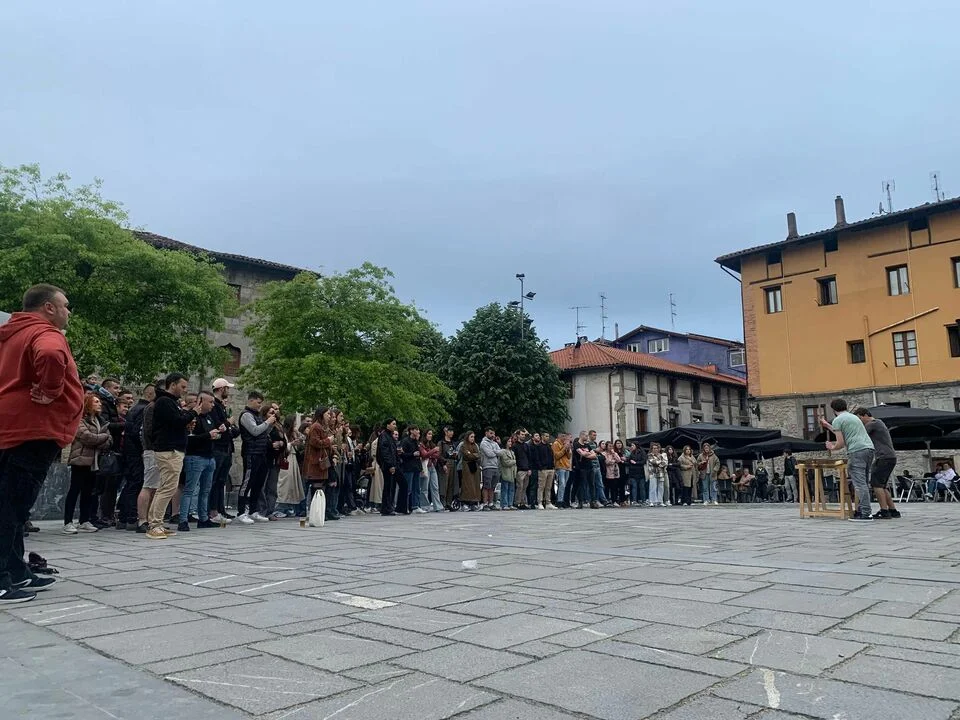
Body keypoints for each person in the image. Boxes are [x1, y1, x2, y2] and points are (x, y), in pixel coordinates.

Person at [0, 284, 83, 602]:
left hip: (12, 427)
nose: (68, 311)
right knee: (12, 507)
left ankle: (16, 570)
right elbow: (49, 354)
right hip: (33, 429)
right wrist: (50, 391)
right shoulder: (45, 332)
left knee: (10, 503)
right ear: (49, 307)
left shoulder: (13, 333)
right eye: (65, 305)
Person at [144, 373, 199, 539]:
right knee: (168, 487)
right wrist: (193, 413)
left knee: (164, 487)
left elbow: (176, 423)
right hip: (169, 449)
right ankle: (155, 525)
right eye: (182, 386)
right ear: (172, 384)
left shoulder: (171, 402)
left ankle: (156, 522)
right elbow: (176, 421)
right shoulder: (164, 401)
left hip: (173, 448)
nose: (184, 390)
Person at [64, 393, 113, 534]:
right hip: (81, 460)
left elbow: (109, 441)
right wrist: (103, 437)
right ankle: (67, 522)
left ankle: (84, 520)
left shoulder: (101, 421)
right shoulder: (80, 420)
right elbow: (87, 437)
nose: (100, 404)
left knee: (88, 491)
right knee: (75, 490)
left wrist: (101, 439)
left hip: (94, 461)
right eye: (96, 402)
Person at [820, 398, 875, 521]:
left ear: (833, 409)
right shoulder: (854, 417)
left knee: (860, 484)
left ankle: (866, 513)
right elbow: (844, 432)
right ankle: (862, 510)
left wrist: (832, 447)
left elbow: (841, 442)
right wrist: (827, 425)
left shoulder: (838, 420)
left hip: (856, 451)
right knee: (864, 482)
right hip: (869, 449)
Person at [181, 391, 222, 530]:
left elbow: (211, 433)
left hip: (209, 456)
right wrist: (207, 435)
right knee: (190, 489)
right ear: (201, 402)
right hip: (195, 456)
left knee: (205, 490)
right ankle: (183, 519)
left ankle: (203, 518)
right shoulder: (192, 417)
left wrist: (216, 434)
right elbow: (189, 438)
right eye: (210, 402)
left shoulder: (209, 417)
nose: (212, 405)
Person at [236, 391, 278, 524]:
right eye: (258, 402)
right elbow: (254, 431)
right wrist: (267, 422)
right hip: (251, 453)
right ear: (251, 400)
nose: (260, 405)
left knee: (258, 483)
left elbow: (263, 432)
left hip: (261, 453)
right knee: (247, 483)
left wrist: (270, 425)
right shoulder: (246, 415)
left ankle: (253, 510)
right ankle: (241, 512)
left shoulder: (257, 415)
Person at [117, 384, 154, 530]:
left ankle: (124, 517)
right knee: (136, 484)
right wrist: (143, 449)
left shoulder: (136, 409)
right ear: (150, 394)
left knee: (131, 484)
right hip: (136, 454)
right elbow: (138, 432)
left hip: (131, 452)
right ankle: (131, 517)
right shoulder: (144, 409)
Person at [854, 408, 901, 519]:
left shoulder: (873, 423)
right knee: (882, 485)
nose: (860, 421)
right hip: (889, 457)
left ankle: (884, 511)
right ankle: (893, 510)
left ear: (865, 415)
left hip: (883, 457)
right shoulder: (879, 423)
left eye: (860, 418)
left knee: (876, 484)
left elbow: (860, 434)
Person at [208, 378, 238, 525]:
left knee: (221, 481)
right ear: (221, 389)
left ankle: (220, 509)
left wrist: (230, 427)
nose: (228, 391)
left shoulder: (221, 406)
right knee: (215, 480)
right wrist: (229, 422)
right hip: (218, 447)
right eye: (227, 388)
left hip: (226, 446)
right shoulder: (215, 406)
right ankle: (212, 510)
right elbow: (219, 426)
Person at [276, 414, 305, 517]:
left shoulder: (293, 433)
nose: (296, 425)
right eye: (294, 423)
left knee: (292, 484)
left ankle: (288, 507)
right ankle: (280, 508)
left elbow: (303, 439)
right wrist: (292, 444)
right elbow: (284, 446)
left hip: (293, 458)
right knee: (285, 483)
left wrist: (298, 435)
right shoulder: (284, 433)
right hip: (286, 458)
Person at [376, 419, 400, 515]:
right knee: (388, 486)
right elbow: (385, 452)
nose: (395, 426)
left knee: (390, 486)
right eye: (393, 424)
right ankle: (387, 507)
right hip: (387, 465)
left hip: (391, 464)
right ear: (387, 425)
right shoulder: (384, 436)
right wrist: (390, 465)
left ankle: (387, 506)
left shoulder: (389, 436)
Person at [400, 426, 424, 513]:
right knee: (408, 488)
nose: (418, 431)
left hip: (416, 467)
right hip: (408, 467)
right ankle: (405, 506)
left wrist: (421, 468)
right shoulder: (405, 441)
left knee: (416, 488)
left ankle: (415, 506)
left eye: (418, 429)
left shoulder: (416, 441)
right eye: (416, 430)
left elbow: (419, 455)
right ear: (411, 431)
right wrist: (412, 454)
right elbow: (402, 455)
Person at [479, 428, 503, 510]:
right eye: (491, 433)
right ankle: (485, 503)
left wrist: (495, 451)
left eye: (493, 433)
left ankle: (491, 503)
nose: (493, 435)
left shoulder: (495, 443)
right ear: (486, 433)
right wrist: (496, 451)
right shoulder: (483, 443)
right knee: (486, 486)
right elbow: (489, 454)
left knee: (493, 487)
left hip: (495, 466)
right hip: (487, 466)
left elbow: (501, 453)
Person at [420, 429, 443, 512]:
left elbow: (437, 455)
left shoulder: (432, 444)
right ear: (425, 435)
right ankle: (425, 506)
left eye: (431, 434)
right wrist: (433, 451)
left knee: (435, 487)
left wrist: (430, 454)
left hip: (432, 466)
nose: (430, 435)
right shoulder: (421, 444)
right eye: (429, 434)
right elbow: (424, 455)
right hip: (425, 467)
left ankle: (438, 506)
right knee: (424, 488)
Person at [459, 431, 481, 510]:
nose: (473, 438)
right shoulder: (463, 445)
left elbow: (479, 455)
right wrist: (474, 455)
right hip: (467, 467)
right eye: (471, 437)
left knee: (475, 484)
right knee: (468, 485)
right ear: (467, 437)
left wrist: (473, 455)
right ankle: (465, 503)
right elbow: (467, 455)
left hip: (474, 467)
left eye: (473, 437)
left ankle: (473, 503)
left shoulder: (475, 445)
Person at [438, 426, 458, 510]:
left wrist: (455, 455)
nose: (451, 433)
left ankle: (449, 503)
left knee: (451, 484)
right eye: (450, 431)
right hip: (445, 463)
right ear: (446, 432)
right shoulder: (441, 443)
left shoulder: (453, 443)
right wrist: (443, 464)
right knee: (444, 484)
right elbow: (439, 455)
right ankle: (443, 503)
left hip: (453, 463)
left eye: (452, 431)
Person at [535, 432, 556, 510]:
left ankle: (548, 502)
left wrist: (553, 466)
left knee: (548, 487)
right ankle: (540, 502)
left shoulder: (549, 446)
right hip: (543, 469)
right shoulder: (539, 446)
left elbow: (552, 456)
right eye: (546, 436)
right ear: (542, 437)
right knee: (541, 487)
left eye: (548, 436)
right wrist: (540, 467)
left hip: (550, 468)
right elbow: (537, 458)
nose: (547, 438)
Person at [603, 441, 625, 507]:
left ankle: (614, 501)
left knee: (614, 487)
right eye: (609, 446)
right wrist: (614, 461)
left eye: (612, 446)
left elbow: (619, 460)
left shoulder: (614, 453)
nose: (611, 447)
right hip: (608, 472)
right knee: (607, 487)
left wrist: (614, 454)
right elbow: (607, 462)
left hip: (615, 472)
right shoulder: (604, 453)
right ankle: (607, 500)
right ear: (606, 447)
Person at [552, 433, 572, 508]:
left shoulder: (565, 444)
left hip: (567, 466)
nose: (564, 438)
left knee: (565, 485)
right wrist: (564, 449)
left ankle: (562, 500)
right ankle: (559, 501)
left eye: (565, 436)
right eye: (563, 436)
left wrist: (568, 449)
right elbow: (556, 456)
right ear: (559, 436)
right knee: (562, 484)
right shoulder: (556, 444)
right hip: (560, 466)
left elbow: (569, 456)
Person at [513, 429, 531, 510]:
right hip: (519, 469)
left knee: (524, 487)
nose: (523, 436)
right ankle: (517, 502)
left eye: (524, 435)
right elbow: (515, 458)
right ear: (518, 435)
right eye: (522, 434)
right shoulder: (515, 446)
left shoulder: (526, 445)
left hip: (526, 469)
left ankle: (523, 502)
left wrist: (529, 468)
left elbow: (529, 457)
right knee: (519, 487)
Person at [646, 442, 668, 507]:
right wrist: (660, 462)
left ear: (658, 449)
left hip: (661, 473)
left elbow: (665, 463)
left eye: (656, 448)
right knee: (653, 487)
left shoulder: (661, 455)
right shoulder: (649, 455)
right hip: (653, 473)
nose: (655, 449)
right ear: (652, 449)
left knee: (661, 487)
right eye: (654, 448)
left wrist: (659, 463)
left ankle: (660, 501)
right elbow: (653, 462)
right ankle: (652, 501)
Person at [625, 442, 646, 506]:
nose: (631, 446)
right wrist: (624, 461)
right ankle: (634, 500)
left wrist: (636, 462)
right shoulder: (631, 453)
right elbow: (629, 461)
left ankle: (643, 500)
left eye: (633, 445)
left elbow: (644, 461)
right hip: (633, 473)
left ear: (636, 446)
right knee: (634, 486)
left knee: (642, 487)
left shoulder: (642, 452)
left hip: (641, 472)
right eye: (631, 445)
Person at [499, 436, 517, 510]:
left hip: (512, 472)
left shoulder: (512, 452)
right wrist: (514, 461)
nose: (510, 443)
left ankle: (510, 504)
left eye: (511, 441)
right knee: (505, 488)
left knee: (511, 489)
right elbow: (505, 462)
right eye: (509, 441)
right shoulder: (503, 451)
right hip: (506, 472)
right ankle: (504, 504)